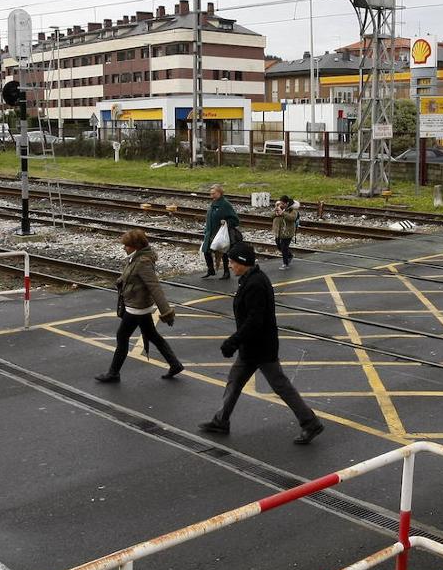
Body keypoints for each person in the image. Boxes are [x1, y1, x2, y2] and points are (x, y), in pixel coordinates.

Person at [198, 242, 324, 445]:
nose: (230, 266)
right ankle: (221, 420)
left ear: (243, 262)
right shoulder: (249, 278)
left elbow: (255, 320)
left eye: (232, 262)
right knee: (235, 381)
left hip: (261, 347)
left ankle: (310, 422)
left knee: (280, 385)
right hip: (252, 346)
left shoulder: (255, 283)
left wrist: (233, 341)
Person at [95, 229, 182, 383]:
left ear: (135, 246)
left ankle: (113, 373)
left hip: (137, 307)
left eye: (126, 245)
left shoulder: (143, 262)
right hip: (138, 305)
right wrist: (122, 280)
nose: (124, 248)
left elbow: (155, 287)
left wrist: (166, 312)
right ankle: (175, 364)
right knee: (152, 335)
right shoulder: (135, 258)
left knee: (122, 336)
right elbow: (131, 275)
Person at [201, 184, 240, 280]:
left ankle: (226, 272)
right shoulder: (213, 203)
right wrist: (206, 230)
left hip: (220, 233)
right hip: (210, 232)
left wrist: (226, 222)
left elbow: (235, 220)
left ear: (220, 193)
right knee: (206, 251)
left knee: (223, 252)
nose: (212, 196)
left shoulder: (225, 204)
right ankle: (211, 270)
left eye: (214, 193)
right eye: (211, 194)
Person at [271, 195, 298, 270]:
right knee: (279, 245)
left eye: (283, 203)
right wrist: (276, 213)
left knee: (284, 247)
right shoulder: (279, 208)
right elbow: (271, 215)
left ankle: (285, 264)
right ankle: (289, 255)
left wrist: (282, 213)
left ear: (287, 203)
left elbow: (292, 218)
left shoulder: (292, 209)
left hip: (287, 232)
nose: (281, 204)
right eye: (281, 203)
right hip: (279, 231)